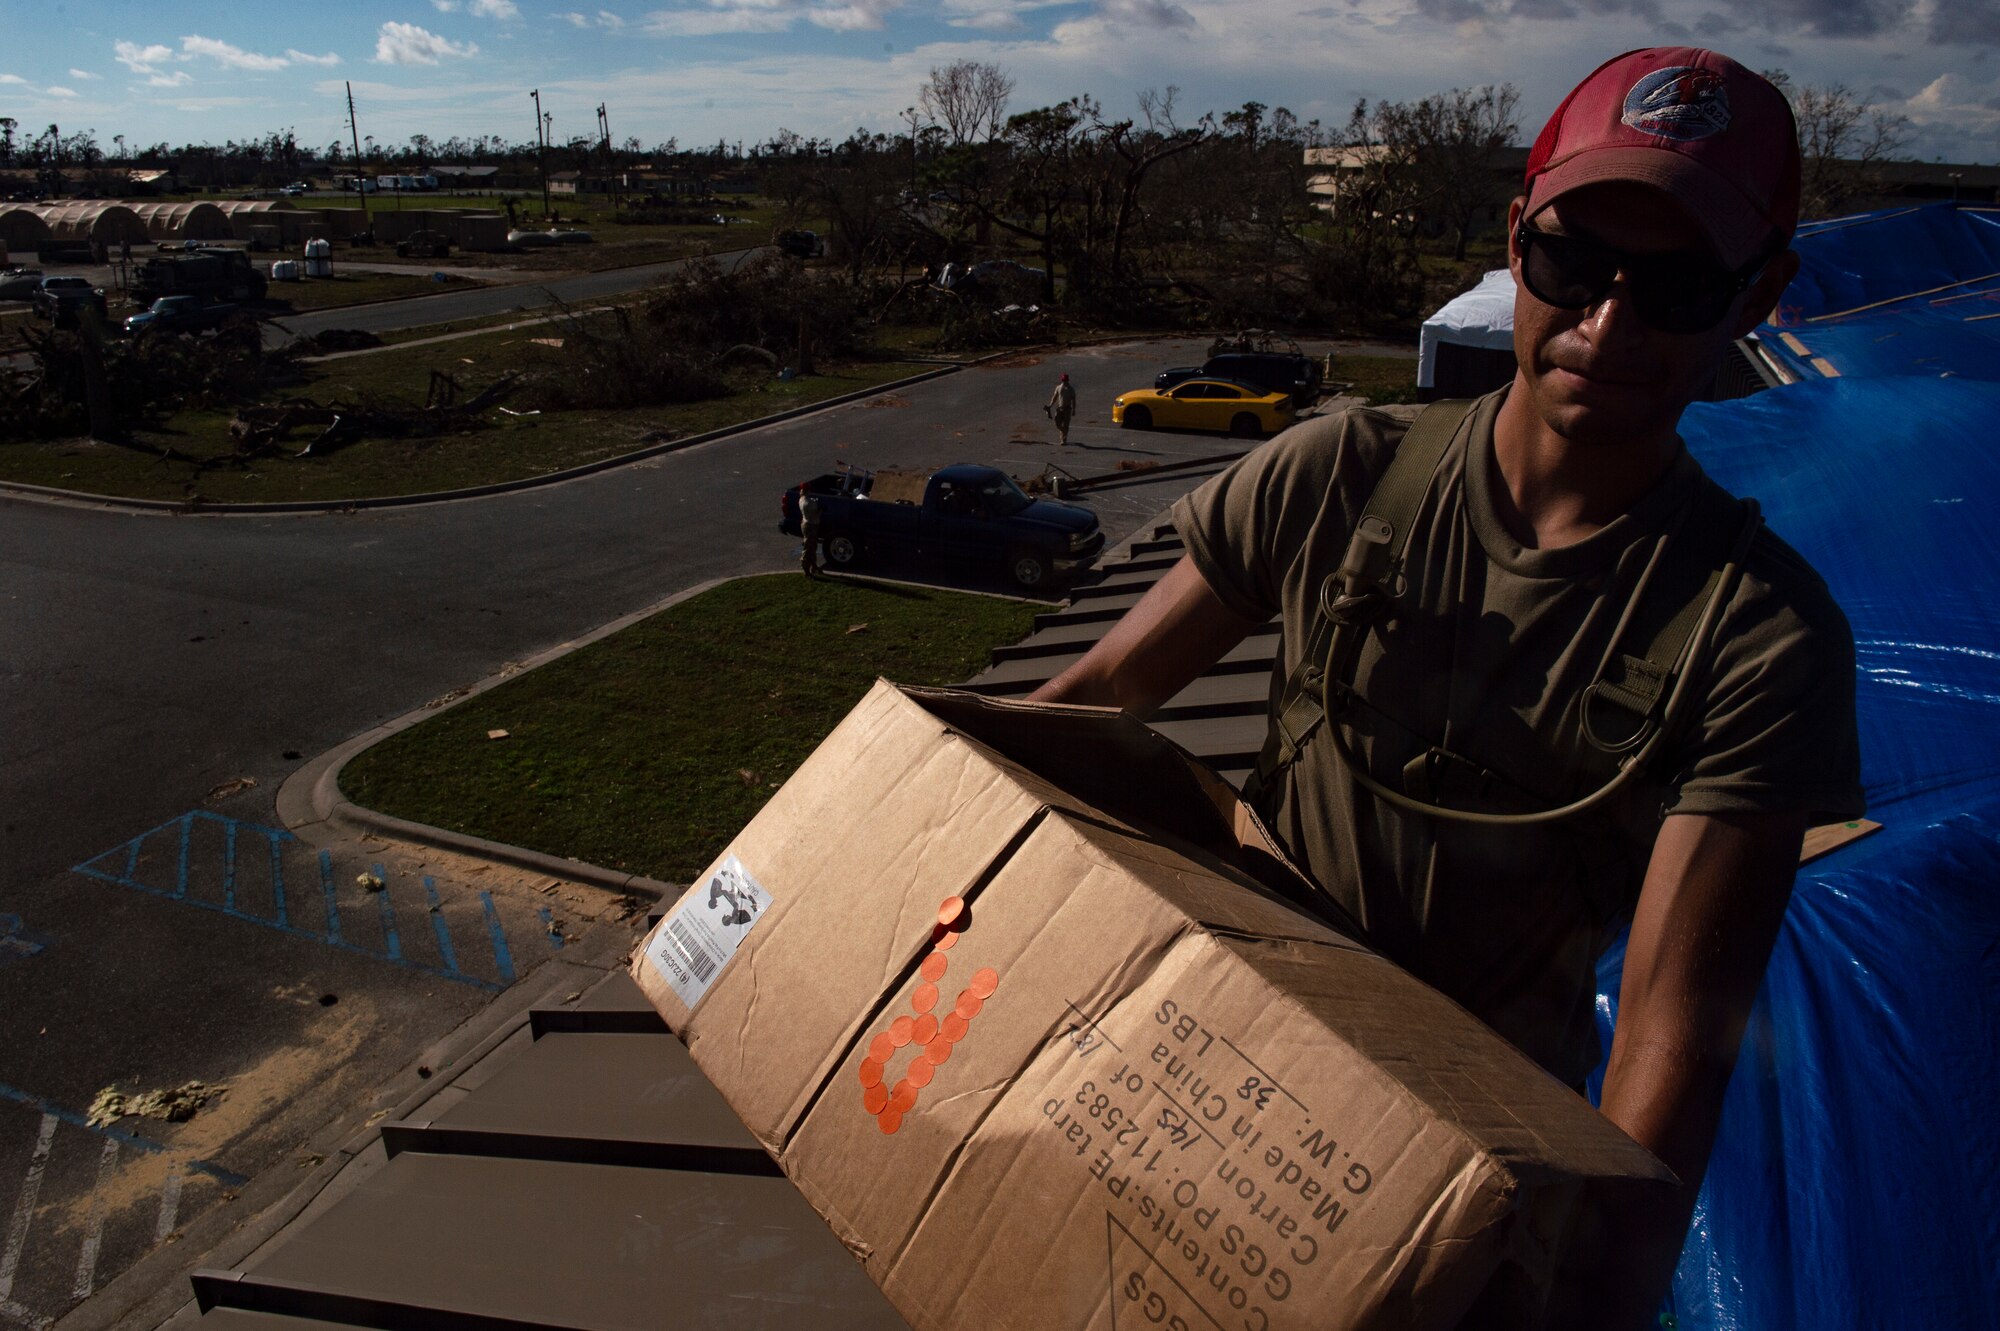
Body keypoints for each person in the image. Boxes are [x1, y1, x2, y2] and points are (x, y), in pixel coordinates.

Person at [1031, 47, 1862, 1325]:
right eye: (1572, 265)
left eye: (1677, 287)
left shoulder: (1754, 637)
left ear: (1759, 300)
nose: (1606, 325)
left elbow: (1666, 1046)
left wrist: (1587, 1294)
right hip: (1208, 1085)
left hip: (1455, 1190)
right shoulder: (1335, 474)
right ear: (1513, 240)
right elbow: (1091, 702)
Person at [1045, 372, 1077, 446]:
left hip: (1067, 409)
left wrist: (1074, 410)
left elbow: (1073, 400)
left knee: (1066, 424)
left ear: (1067, 380)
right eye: (1063, 380)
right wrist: (1050, 405)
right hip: (1059, 409)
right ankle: (1064, 432)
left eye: (1065, 380)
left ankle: (1063, 440)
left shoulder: (1071, 389)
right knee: (1057, 423)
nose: (1064, 382)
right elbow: (1055, 397)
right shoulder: (1058, 387)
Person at [798, 492, 822, 578]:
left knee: (812, 546)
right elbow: (815, 513)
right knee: (808, 548)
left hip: (806, 523)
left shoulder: (801, 500)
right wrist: (820, 510)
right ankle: (806, 570)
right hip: (811, 525)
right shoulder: (809, 503)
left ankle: (813, 566)